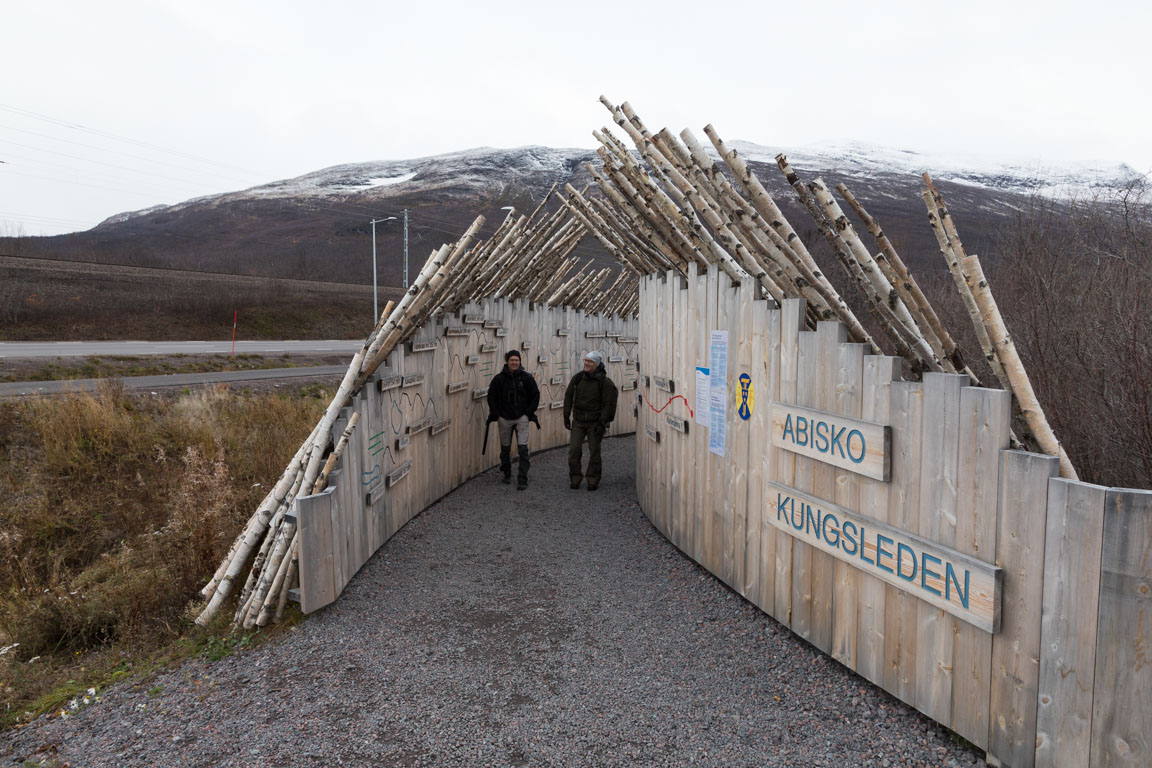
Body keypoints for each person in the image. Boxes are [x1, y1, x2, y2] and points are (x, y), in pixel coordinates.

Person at [563, 350, 618, 491]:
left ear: (596, 364)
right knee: (574, 451)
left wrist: (603, 422)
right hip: (579, 421)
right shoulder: (578, 378)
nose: (586, 363)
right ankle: (575, 478)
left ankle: (593, 480)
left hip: (595, 422)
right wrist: (566, 415)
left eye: (589, 361)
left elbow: (608, 403)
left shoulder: (604, 382)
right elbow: (568, 396)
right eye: (585, 360)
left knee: (594, 452)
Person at [486, 349, 540, 490]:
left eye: (516, 360)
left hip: (522, 417)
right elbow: (491, 396)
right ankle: (507, 473)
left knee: (523, 449)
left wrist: (528, 414)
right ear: (507, 361)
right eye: (512, 360)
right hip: (504, 418)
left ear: (520, 361)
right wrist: (497, 414)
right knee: (505, 449)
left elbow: (535, 395)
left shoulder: (527, 378)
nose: (514, 362)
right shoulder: (499, 379)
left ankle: (522, 479)